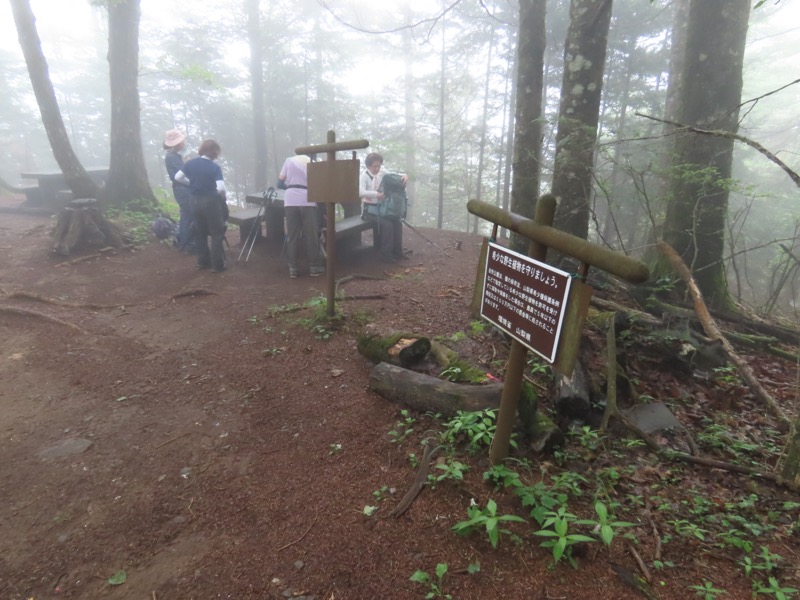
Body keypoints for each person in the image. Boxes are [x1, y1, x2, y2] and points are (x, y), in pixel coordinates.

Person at [174, 139, 229, 273]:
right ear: (214, 152)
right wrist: (222, 196)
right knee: (216, 233)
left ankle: (203, 261)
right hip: (210, 201)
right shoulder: (214, 167)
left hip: (194, 200)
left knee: (200, 232)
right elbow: (220, 187)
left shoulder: (191, 163)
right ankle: (217, 265)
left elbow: (177, 177)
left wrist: (191, 184)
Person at [277, 154, 324, 279]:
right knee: (311, 234)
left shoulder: (289, 160)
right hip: (307, 199)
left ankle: (293, 268)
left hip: (290, 200)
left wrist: (291, 187)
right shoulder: (313, 163)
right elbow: (319, 184)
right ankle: (314, 267)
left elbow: (279, 183)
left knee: (292, 235)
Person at [359, 152, 409, 263]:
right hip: (369, 210)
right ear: (368, 166)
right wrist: (376, 194)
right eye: (374, 166)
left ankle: (397, 252)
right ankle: (385, 254)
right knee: (387, 225)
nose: (377, 168)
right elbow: (360, 192)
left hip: (382, 208)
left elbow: (394, 176)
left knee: (396, 222)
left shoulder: (382, 173)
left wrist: (404, 176)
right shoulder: (364, 176)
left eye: (379, 165)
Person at [163, 129, 196, 253]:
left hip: (181, 189)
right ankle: (189, 245)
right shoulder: (172, 157)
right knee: (189, 216)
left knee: (185, 216)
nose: (184, 143)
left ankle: (183, 241)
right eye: (182, 141)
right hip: (182, 189)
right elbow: (180, 176)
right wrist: (192, 183)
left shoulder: (175, 156)